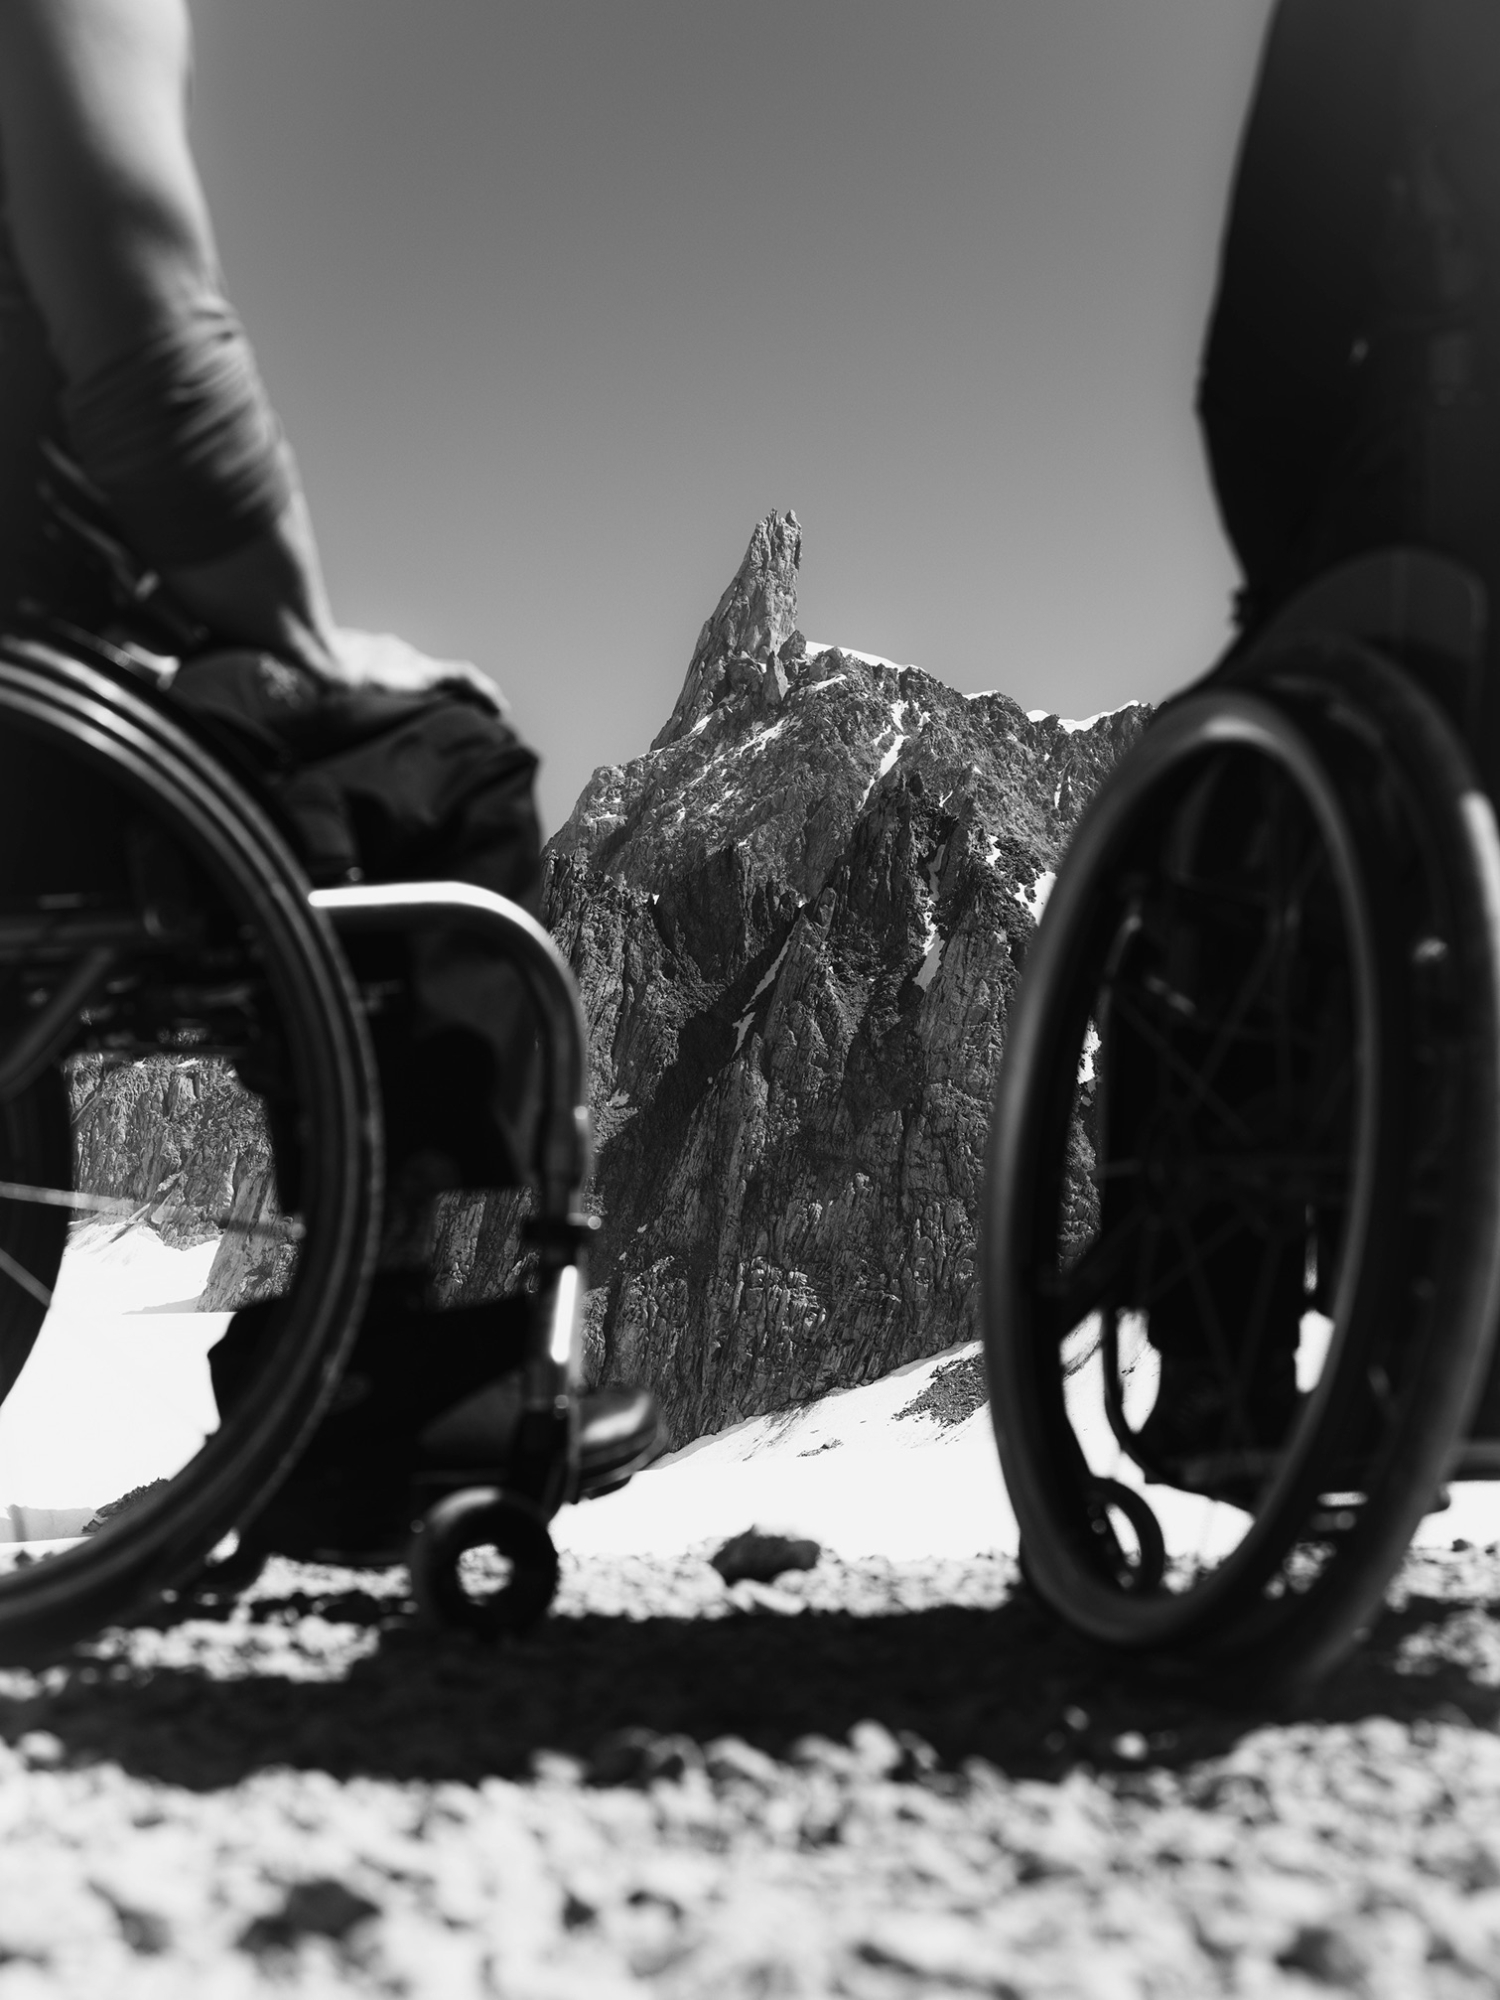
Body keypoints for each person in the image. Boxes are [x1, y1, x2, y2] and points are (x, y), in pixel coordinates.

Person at [0, 0, 655, 1560]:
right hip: (35, 721)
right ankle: (368, 1377)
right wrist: (303, 638)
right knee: (434, 767)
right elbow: (146, 331)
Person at [1133, 0, 1500, 1471]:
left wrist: (1285, 584)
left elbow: (1267, 353)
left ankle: (1225, 1360)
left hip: (1444, 493)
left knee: (1213, 817)